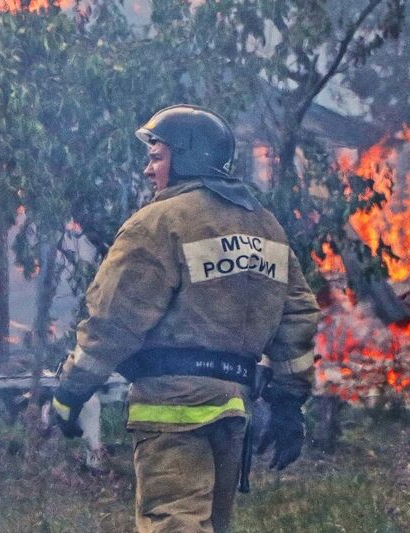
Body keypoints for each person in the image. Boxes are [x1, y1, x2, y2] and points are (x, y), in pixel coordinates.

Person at [45, 104, 319, 532]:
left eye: (157, 157)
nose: (148, 169)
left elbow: (112, 322)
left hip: (171, 408)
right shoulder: (266, 228)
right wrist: (288, 403)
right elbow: (297, 318)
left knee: (174, 524)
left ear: (188, 157)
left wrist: (70, 393)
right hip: (233, 408)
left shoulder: (159, 223)